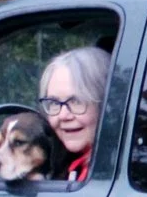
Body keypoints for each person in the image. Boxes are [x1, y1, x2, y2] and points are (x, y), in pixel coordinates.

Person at [36, 46, 111, 183]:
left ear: (107, 104)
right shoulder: (74, 166)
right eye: (53, 102)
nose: (63, 115)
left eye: (77, 101)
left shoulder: (111, 174)